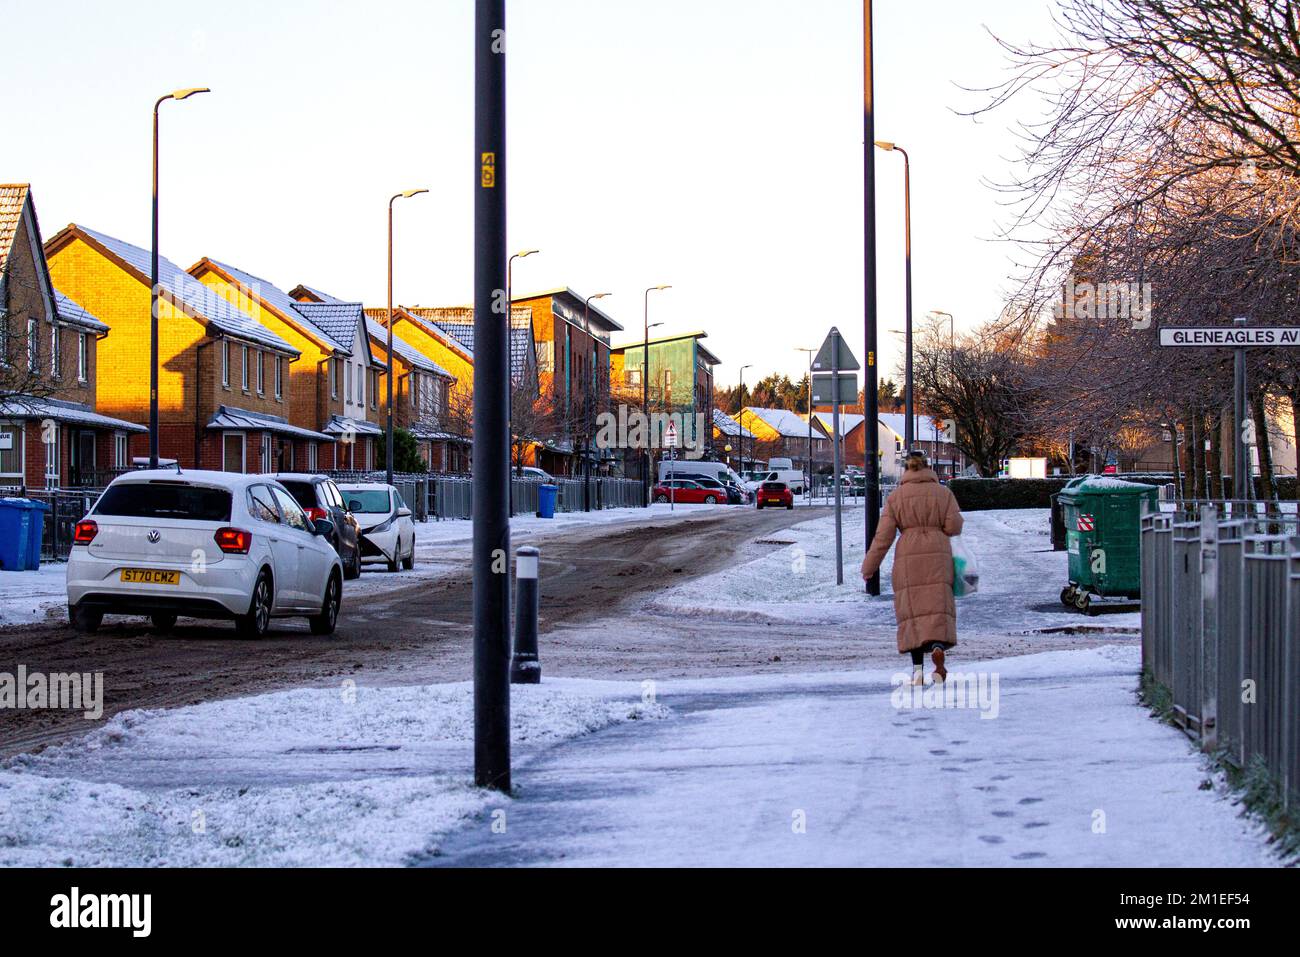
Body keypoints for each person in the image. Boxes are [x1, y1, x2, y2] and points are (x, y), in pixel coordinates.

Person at [861, 450, 964, 685]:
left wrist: (869, 567)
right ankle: (938, 647)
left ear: (906, 470)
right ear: (928, 467)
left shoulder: (897, 497)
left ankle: (917, 672)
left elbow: (882, 538)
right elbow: (954, 527)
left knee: (912, 613)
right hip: (938, 554)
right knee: (937, 606)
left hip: (908, 555)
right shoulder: (943, 493)